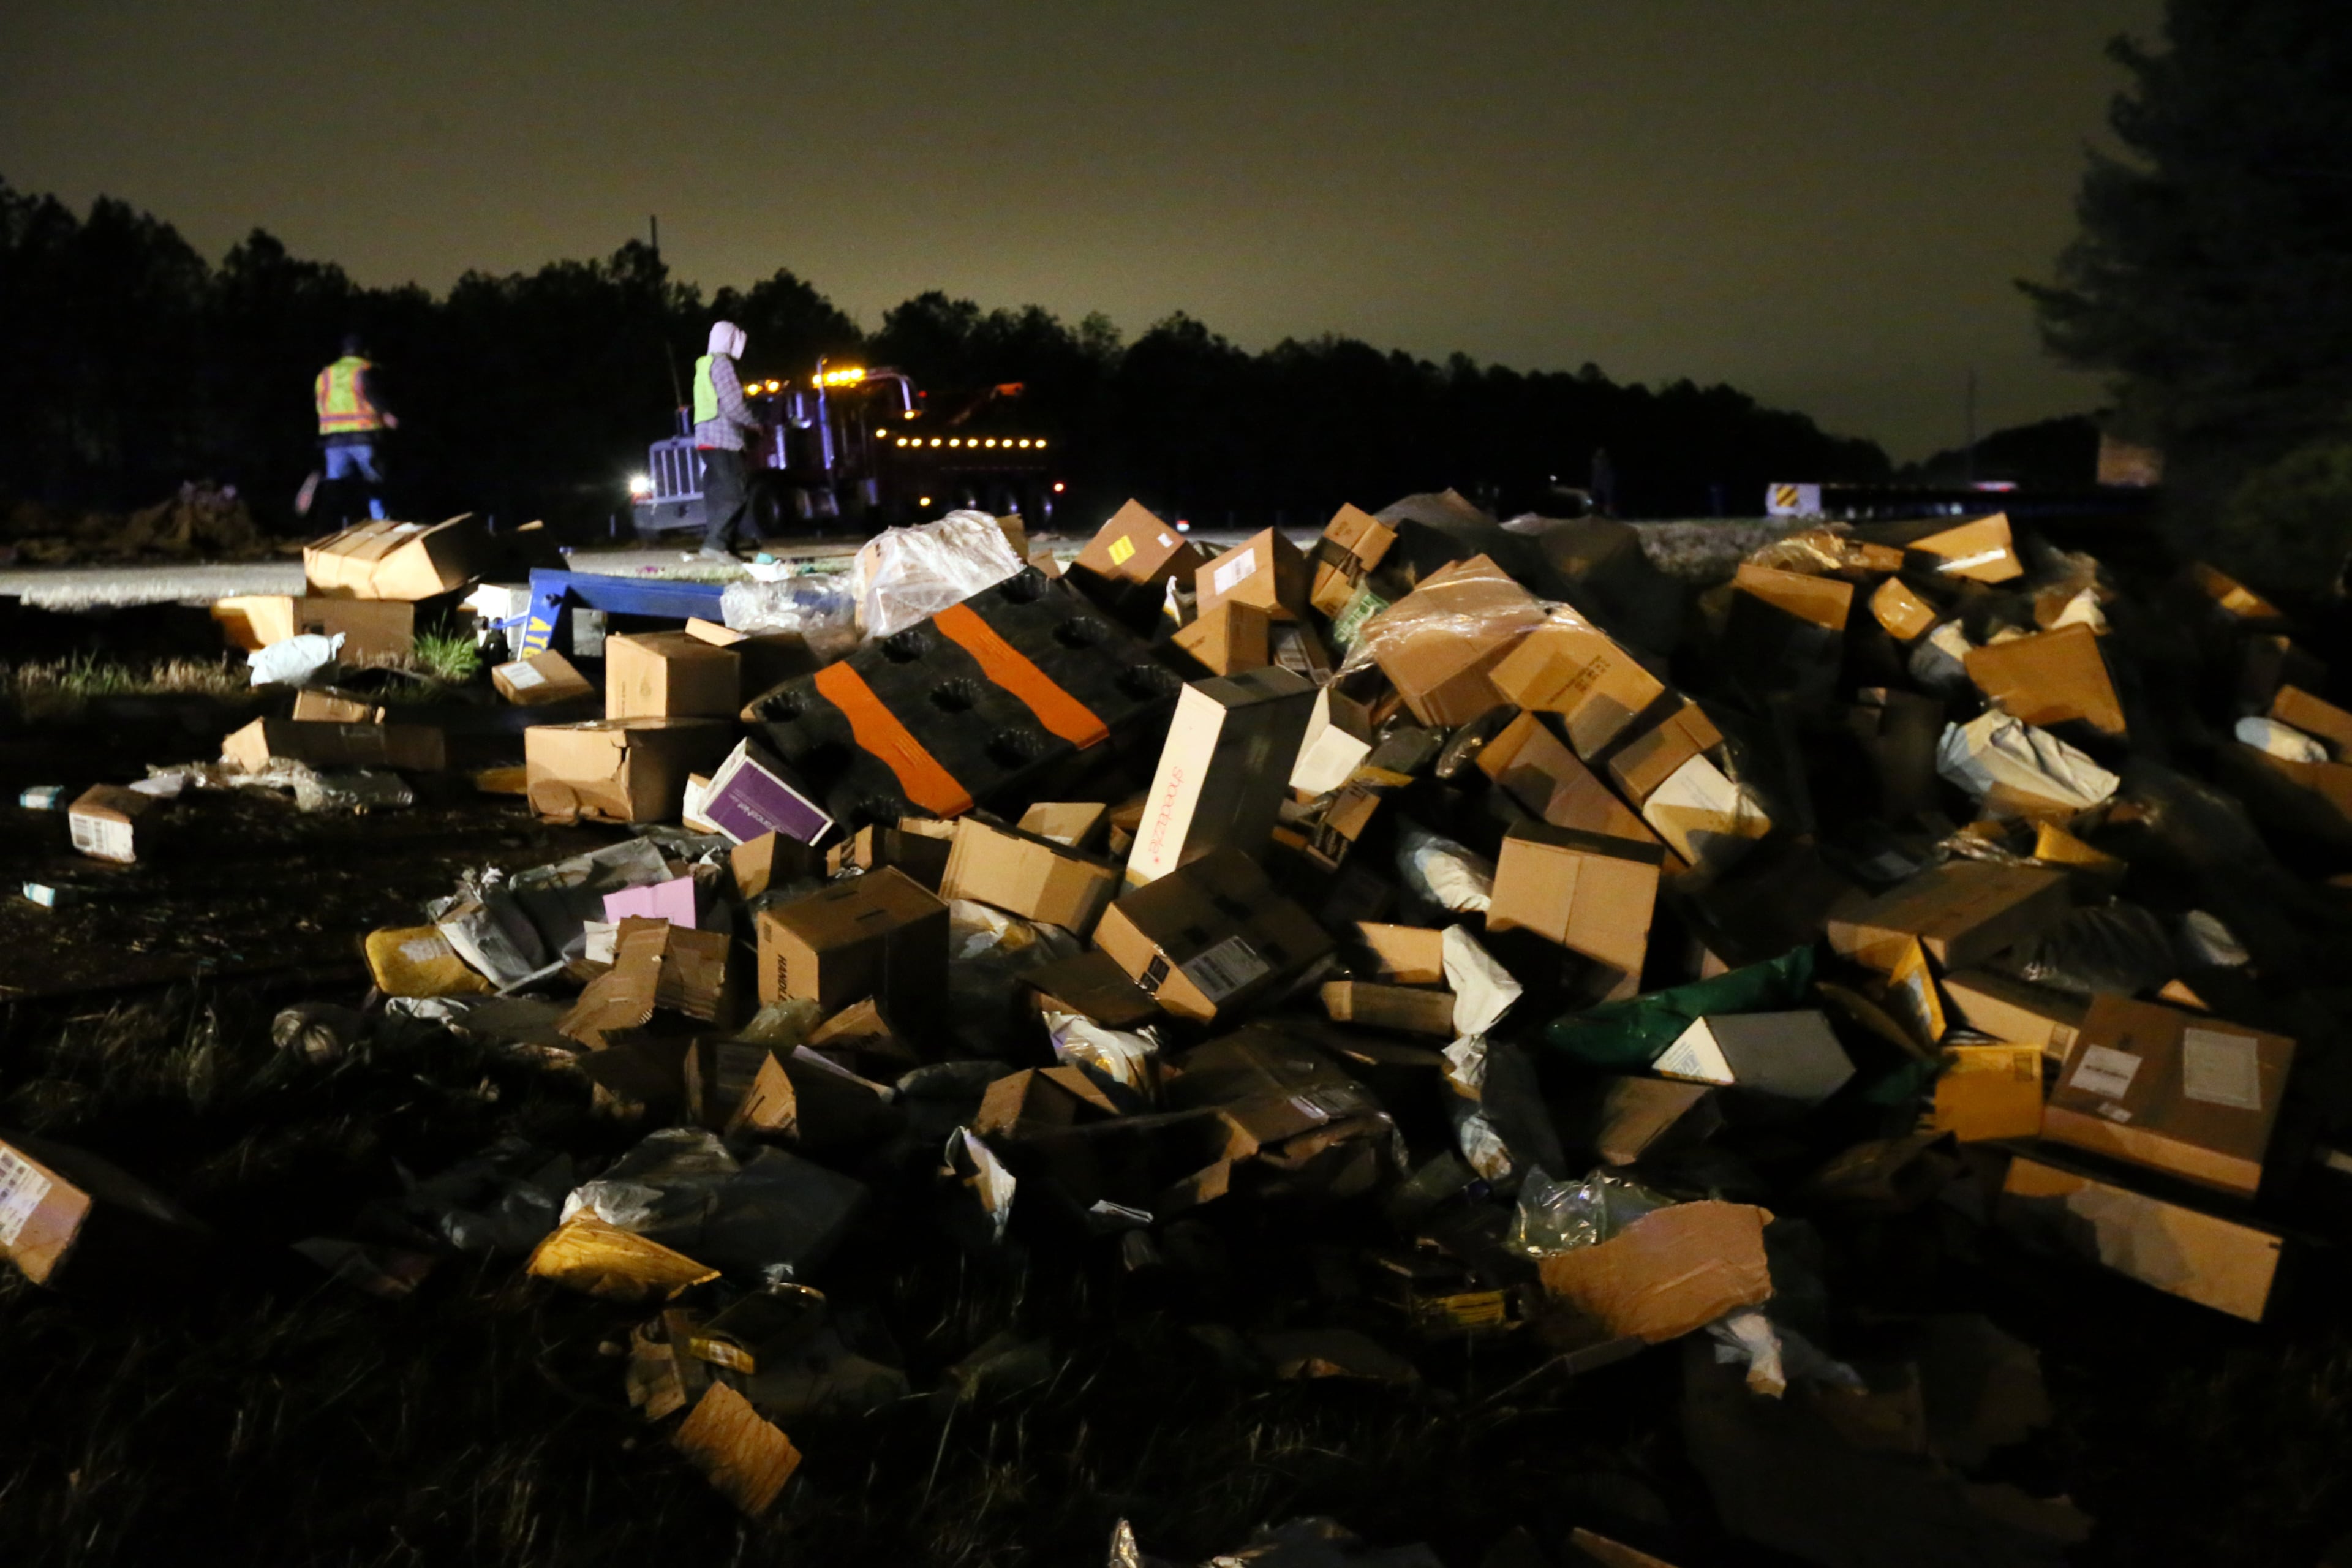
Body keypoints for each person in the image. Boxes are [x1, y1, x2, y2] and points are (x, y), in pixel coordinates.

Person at [694, 320, 770, 559]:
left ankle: (725, 547)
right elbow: (734, 404)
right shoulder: (723, 365)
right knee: (735, 493)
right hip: (724, 438)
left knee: (719, 494)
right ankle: (715, 546)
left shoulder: (703, 365)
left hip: (705, 438)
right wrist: (755, 424)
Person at [304, 333, 396, 522]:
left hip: (333, 440)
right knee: (375, 486)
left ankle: (344, 535)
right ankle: (383, 529)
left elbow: (319, 403)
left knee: (339, 491)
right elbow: (373, 396)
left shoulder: (325, 375)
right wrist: (387, 416)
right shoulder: (365, 369)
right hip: (363, 436)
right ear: (364, 351)